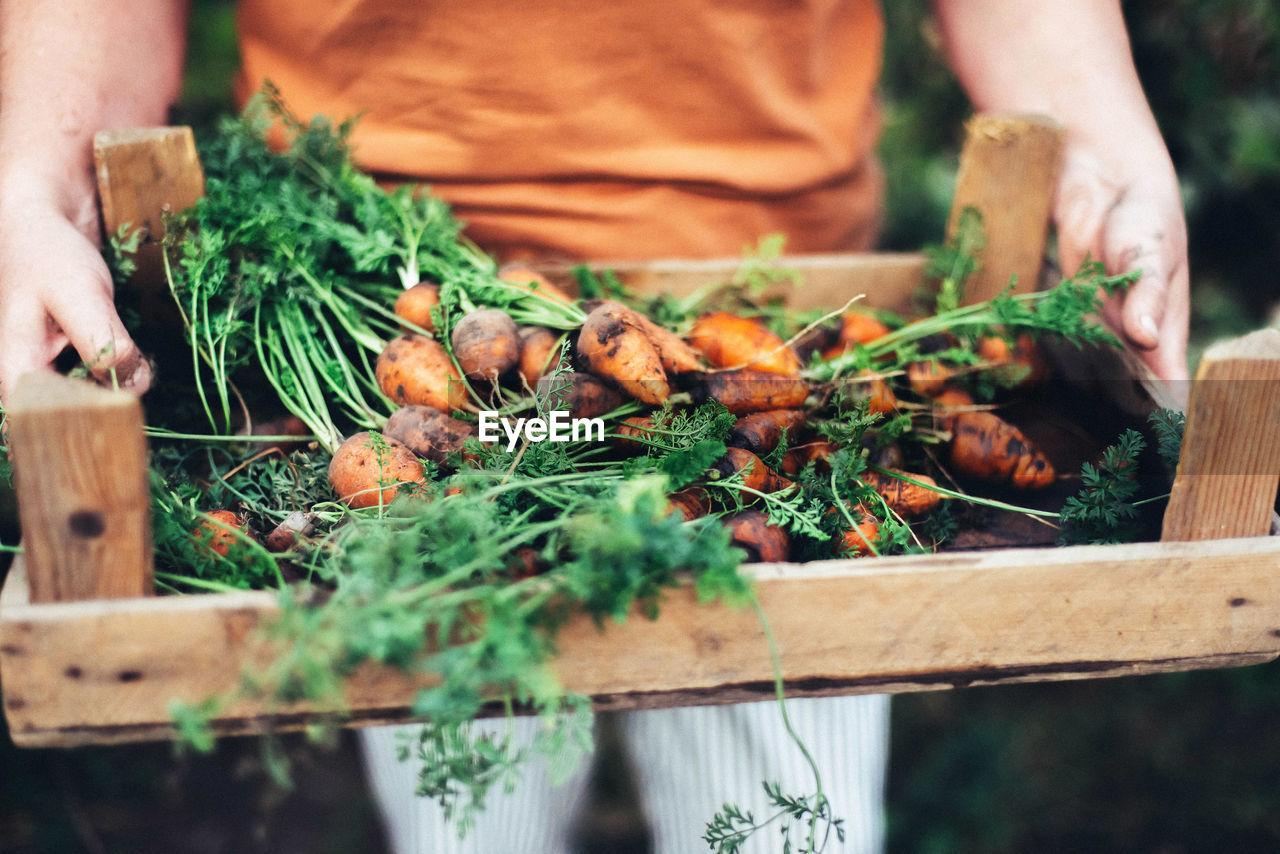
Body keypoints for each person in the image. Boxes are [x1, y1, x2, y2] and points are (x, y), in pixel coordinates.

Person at [0, 1, 1190, 851]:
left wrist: (1097, 134)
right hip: (399, 349)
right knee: (473, 816)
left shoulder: (748, 408)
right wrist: (37, 174)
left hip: (764, 286)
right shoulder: (422, 404)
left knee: (788, 823)